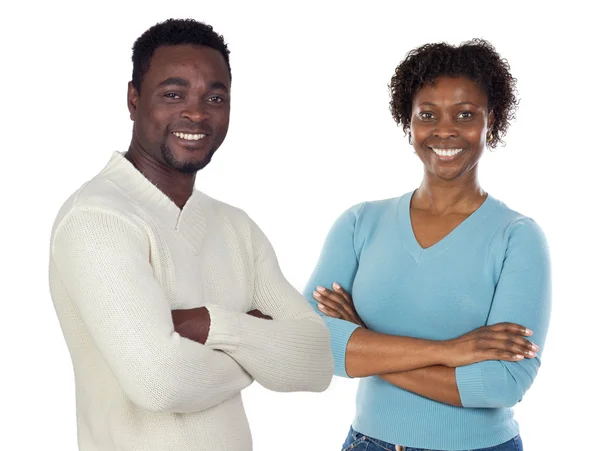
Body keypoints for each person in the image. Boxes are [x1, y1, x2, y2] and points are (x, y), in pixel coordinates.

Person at [48, 18, 333, 451]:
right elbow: (159, 382)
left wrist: (210, 325)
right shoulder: (97, 219)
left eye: (214, 97)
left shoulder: (237, 227)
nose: (196, 113)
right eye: (173, 94)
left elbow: (315, 361)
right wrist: (258, 352)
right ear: (133, 99)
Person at [304, 39, 551, 451]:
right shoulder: (360, 224)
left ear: (493, 120)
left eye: (466, 114)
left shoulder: (518, 238)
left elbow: (503, 382)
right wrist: (450, 351)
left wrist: (363, 340)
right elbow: (309, 340)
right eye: (428, 115)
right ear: (409, 122)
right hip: (368, 443)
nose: (445, 130)